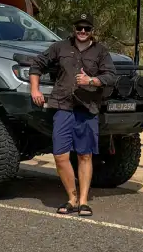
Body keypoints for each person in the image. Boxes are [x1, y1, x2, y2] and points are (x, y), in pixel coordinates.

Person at [29, 12, 116, 217]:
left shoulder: (101, 51)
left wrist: (91, 81)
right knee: (60, 155)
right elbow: (37, 65)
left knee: (85, 155)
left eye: (87, 28)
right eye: (79, 28)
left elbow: (111, 76)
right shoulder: (60, 47)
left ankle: (83, 201)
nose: (82, 31)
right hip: (63, 106)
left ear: (92, 30)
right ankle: (72, 198)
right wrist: (35, 89)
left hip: (87, 109)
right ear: (74, 29)